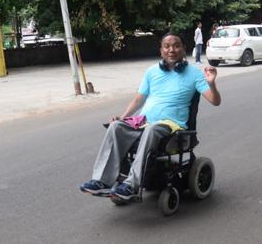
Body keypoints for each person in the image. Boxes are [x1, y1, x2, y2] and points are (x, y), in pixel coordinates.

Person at [80, 32, 221, 201]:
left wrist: (211, 83)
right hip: (143, 123)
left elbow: (215, 101)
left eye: (176, 45)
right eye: (166, 46)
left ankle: (132, 185)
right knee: (115, 126)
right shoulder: (152, 72)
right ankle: (101, 181)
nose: (171, 50)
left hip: (172, 127)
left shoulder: (195, 74)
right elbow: (139, 99)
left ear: (184, 49)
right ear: (161, 50)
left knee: (153, 129)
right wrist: (122, 117)